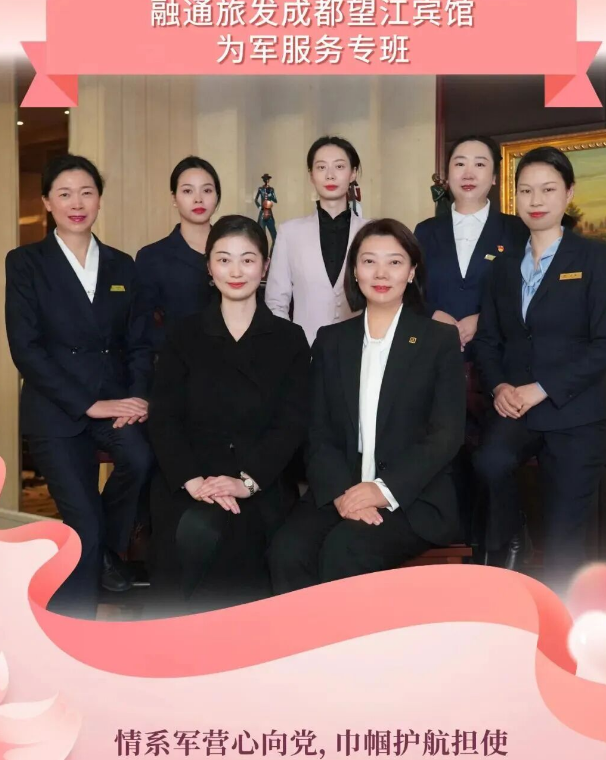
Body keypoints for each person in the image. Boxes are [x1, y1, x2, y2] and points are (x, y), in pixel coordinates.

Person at [268, 219, 466, 593]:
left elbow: (446, 434)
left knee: (346, 549)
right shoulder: (331, 341)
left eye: (394, 262)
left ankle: (346, 636)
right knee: (288, 551)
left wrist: (382, 490)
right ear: (355, 271)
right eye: (369, 261)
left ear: (412, 272)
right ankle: (304, 635)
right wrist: (343, 492)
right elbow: (316, 431)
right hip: (340, 488)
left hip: (411, 496)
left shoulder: (438, 340)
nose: (381, 273)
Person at [5, 154, 153, 615]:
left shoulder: (122, 265)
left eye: (86, 193)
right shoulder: (26, 263)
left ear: (99, 200)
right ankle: (74, 624)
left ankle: (105, 552)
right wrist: (88, 403)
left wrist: (138, 397)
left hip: (115, 403)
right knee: (83, 525)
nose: (77, 203)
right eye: (65, 194)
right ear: (47, 202)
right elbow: (26, 350)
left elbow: (140, 343)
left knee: (142, 459)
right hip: (57, 410)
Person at [472, 145, 606, 586]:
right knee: (488, 463)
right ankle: (514, 538)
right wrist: (500, 387)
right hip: (517, 409)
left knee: (563, 545)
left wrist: (542, 387)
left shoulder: (595, 259)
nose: (536, 201)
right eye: (526, 191)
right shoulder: (502, 267)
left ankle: (562, 623)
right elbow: (487, 341)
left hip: (574, 413)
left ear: (568, 193)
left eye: (548, 190)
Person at [147, 215, 310, 611]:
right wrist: (193, 481)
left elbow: (292, 423)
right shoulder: (183, 335)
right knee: (193, 530)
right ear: (208, 267)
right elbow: (165, 417)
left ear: (265, 267)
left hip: (261, 480)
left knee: (244, 539)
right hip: (192, 479)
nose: (236, 272)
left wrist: (246, 482)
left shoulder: (289, 339)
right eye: (223, 260)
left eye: (247, 260)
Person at [414, 136, 528, 358]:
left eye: (479, 164)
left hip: (498, 358)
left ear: (494, 177)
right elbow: (409, 289)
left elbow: (527, 292)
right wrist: (433, 314)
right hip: (433, 355)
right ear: (448, 175)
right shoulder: (425, 231)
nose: (468, 174)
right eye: (460, 164)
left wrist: (484, 319)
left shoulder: (517, 231)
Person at [264, 135, 367, 345]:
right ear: (311, 175)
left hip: (360, 350)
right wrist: (293, 345)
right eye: (321, 167)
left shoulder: (371, 232)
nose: (330, 175)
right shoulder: (289, 233)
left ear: (353, 173)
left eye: (339, 166)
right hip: (305, 351)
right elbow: (276, 302)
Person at [135, 156, 221, 356]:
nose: (198, 199)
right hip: (177, 364)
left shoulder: (236, 250)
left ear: (217, 196)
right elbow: (143, 329)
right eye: (187, 191)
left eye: (207, 190)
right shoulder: (152, 257)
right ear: (174, 198)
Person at [255, 173, 278, 248]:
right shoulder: (260, 189)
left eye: (267, 179)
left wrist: (270, 195)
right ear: (263, 180)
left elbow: (275, 200)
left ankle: (272, 253)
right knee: (262, 236)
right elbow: (256, 200)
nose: (266, 180)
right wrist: (260, 207)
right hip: (262, 213)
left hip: (269, 213)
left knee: (275, 236)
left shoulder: (271, 189)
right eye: (265, 179)